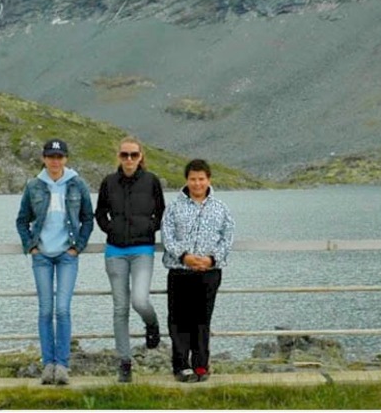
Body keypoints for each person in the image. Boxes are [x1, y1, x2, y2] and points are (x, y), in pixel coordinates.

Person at [15, 138, 94, 386]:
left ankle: (62, 365)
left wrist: (77, 247)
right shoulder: (34, 186)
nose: (55, 161)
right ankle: (47, 364)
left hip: (66, 256)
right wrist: (32, 246)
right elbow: (22, 220)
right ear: (44, 159)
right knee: (45, 310)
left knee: (62, 309)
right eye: (50, 157)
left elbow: (88, 218)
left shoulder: (77, 184)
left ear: (66, 159)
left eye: (59, 157)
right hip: (42, 257)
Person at [94, 136, 166, 383]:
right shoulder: (108, 182)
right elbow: (100, 212)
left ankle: (152, 324)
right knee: (120, 307)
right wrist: (110, 229)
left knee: (140, 300)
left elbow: (162, 212)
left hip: (142, 250)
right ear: (118, 156)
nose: (129, 159)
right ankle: (124, 363)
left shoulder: (151, 181)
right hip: (115, 251)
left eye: (133, 155)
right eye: (124, 155)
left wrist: (149, 229)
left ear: (141, 156)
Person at [161, 158, 235, 383]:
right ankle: (181, 365)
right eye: (193, 179)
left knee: (202, 319)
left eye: (201, 179)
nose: (197, 183)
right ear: (187, 180)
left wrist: (211, 260)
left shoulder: (221, 208)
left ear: (208, 180)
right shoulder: (174, 207)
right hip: (180, 270)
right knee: (179, 320)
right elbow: (167, 235)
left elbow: (228, 236)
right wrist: (185, 256)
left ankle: (201, 365)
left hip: (209, 272)